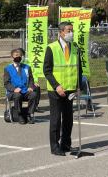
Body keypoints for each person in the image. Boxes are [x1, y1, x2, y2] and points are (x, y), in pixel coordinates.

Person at [43, 22, 82, 156]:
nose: (71, 33)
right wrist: (56, 86)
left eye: (72, 30)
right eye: (68, 30)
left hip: (70, 89)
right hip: (56, 90)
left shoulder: (75, 47)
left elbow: (79, 69)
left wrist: (78, 86)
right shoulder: (52, 48)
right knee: (55, 119)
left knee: (68, 119)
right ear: (61, 32)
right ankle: (55, 147)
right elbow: (46, 70)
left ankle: (66, 144)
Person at [4, 48, 37, 124]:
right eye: (16, 55)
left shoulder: (27, 67)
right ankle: (19, 115)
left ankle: (29, 114)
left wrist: (30, 87)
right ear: (12, 57)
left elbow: (31, 79)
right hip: (13, 92)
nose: (18, 57)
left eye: (19, 56)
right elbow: (6, 83)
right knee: (17, 96)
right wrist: (14, 89)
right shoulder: (7, 69)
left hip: (25, 90)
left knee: (33, 94)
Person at [17, 48, 43, 113]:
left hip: (28, 84)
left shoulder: (28, 64)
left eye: (21, 55)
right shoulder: (12, 65)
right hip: (18, 86)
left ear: (24, 55)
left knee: (36, 88)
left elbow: (33, 74)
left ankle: (34, 107)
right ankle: (22, 110)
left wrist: (35, 82)